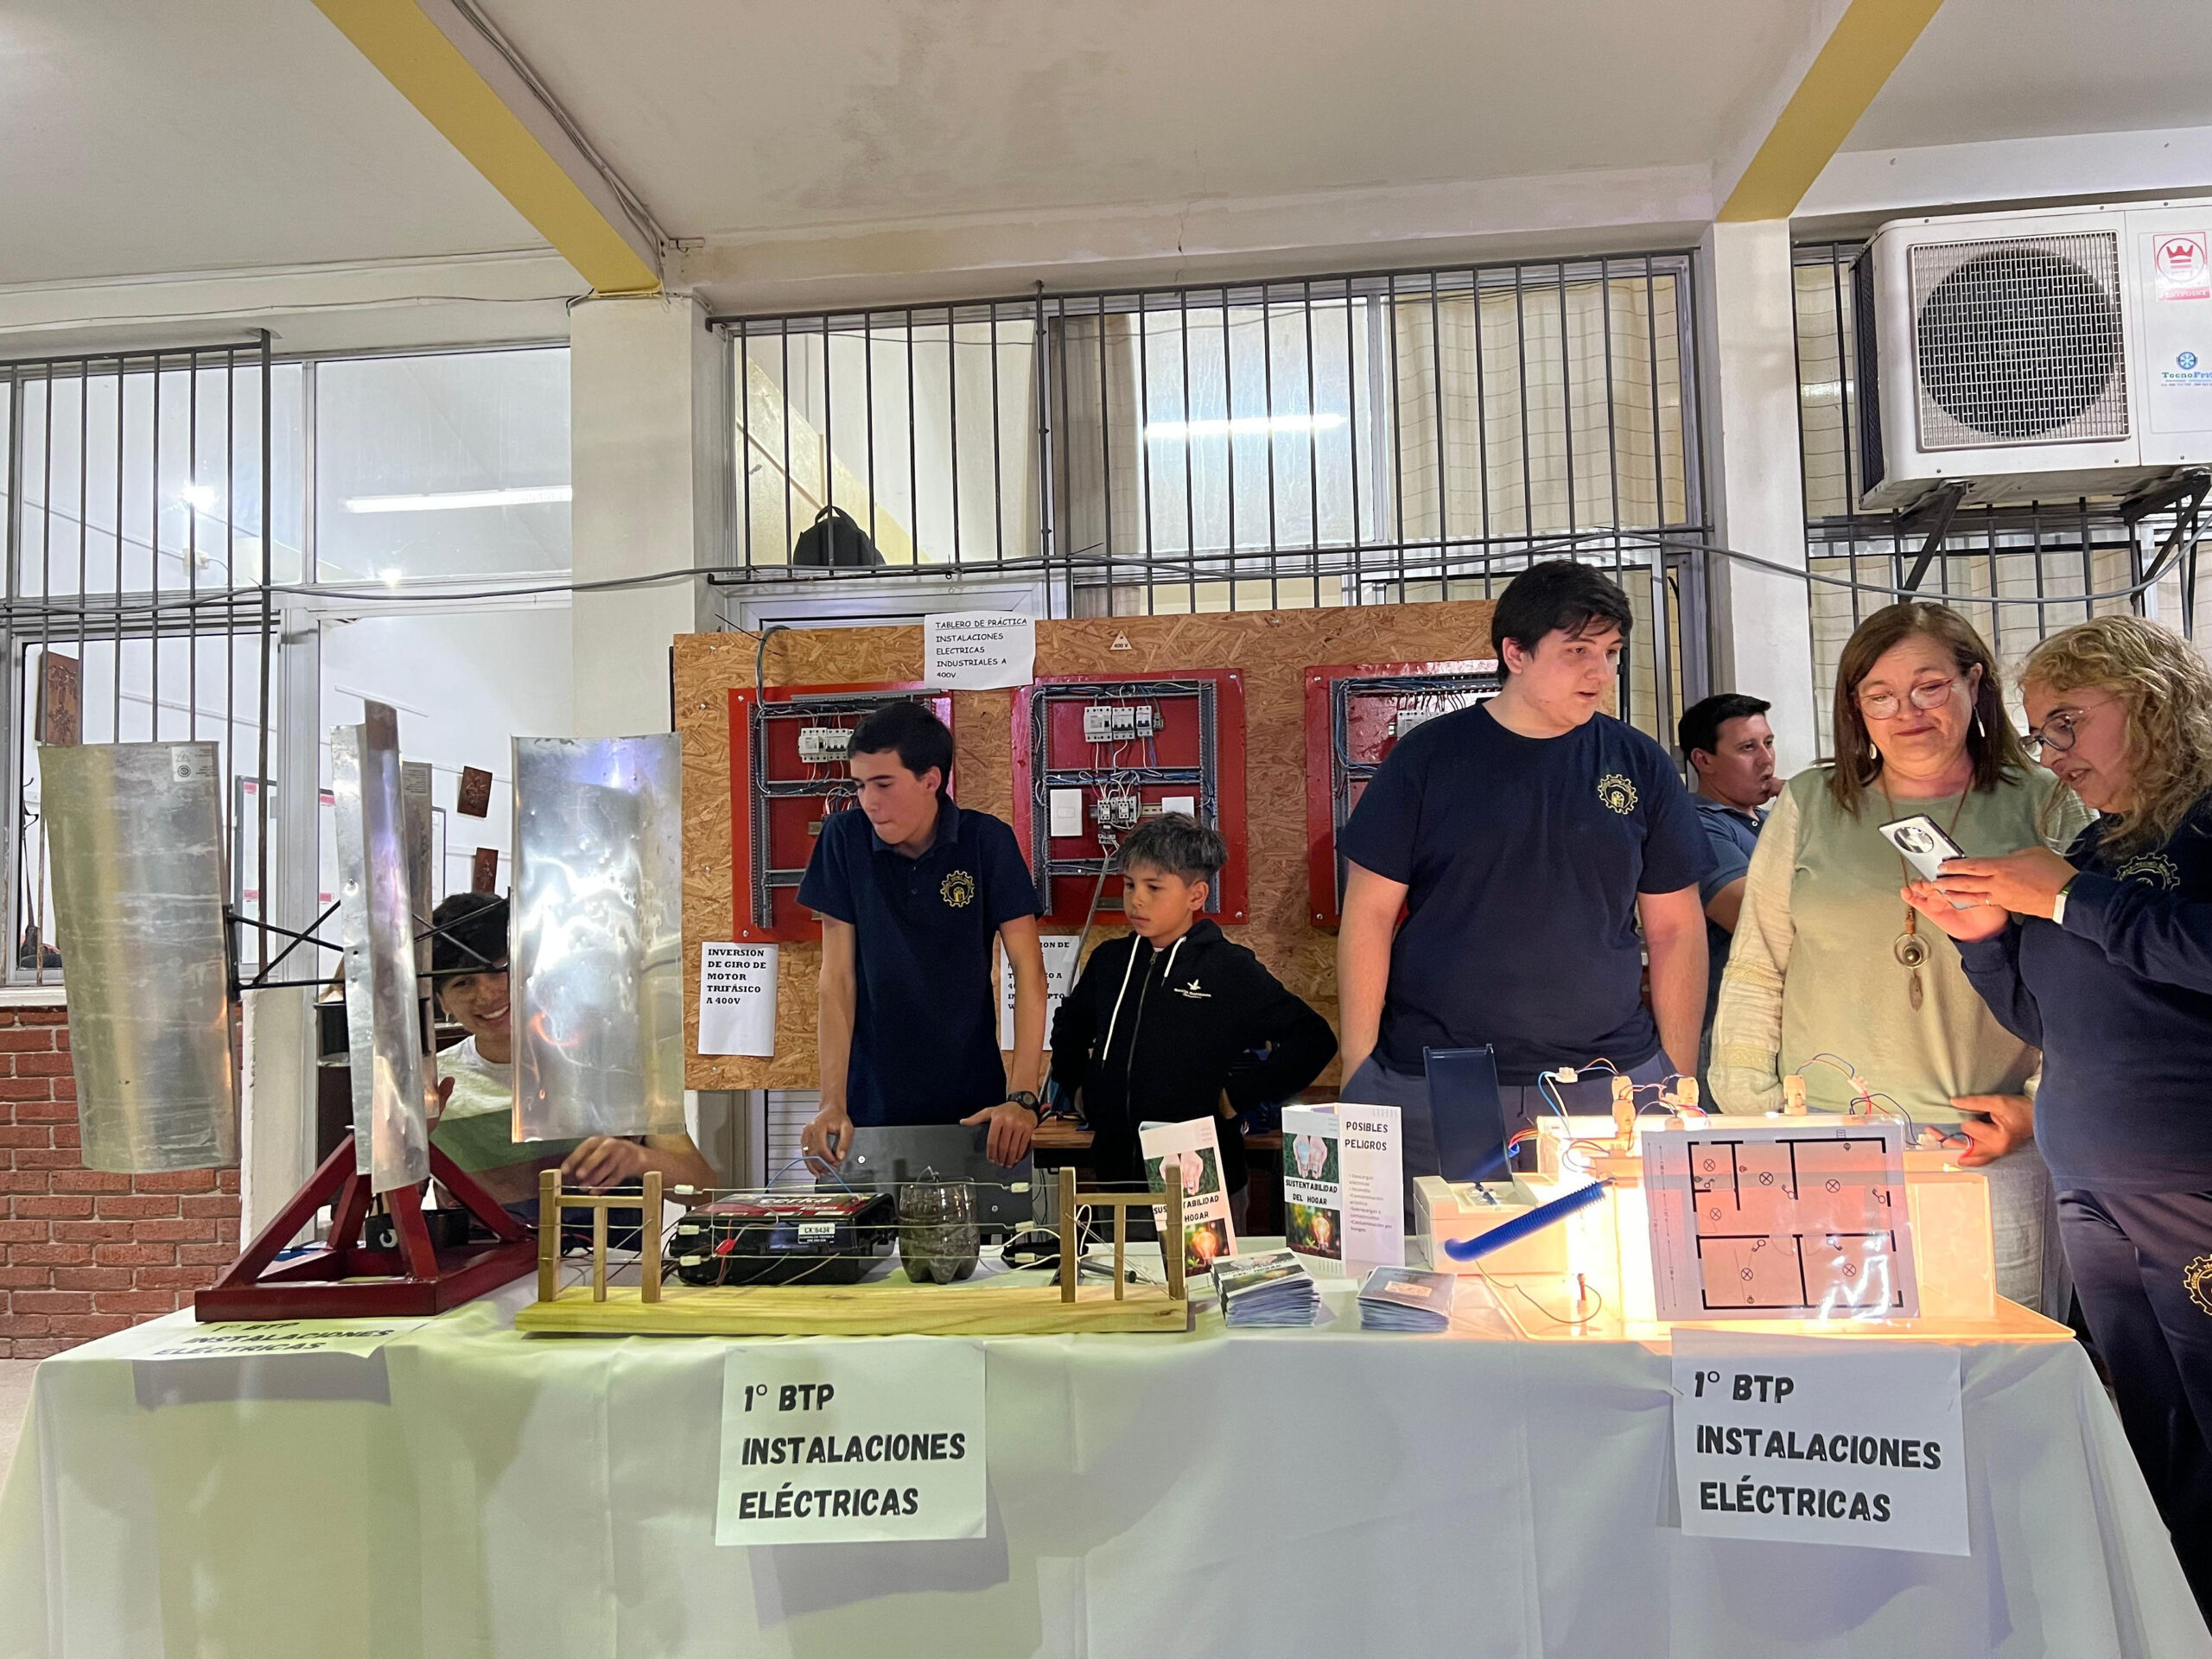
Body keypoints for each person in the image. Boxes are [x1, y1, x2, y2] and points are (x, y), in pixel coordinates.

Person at [1907, 615, 2212, 1610]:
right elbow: (2048, 1018)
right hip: (2094, 1189)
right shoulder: (2098, 843)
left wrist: (2074, 901)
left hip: (2190, 1187)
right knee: (2152, 1433)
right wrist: (1983, 939)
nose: (2055, 754)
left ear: (2151, 701)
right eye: (2042, 734)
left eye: (2070, 722)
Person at [1711, 601, 2089, 1313]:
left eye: (1929, 686)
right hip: (1822, 1140)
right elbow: (1759, 963)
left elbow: (2088, 985)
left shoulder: (2045, 804)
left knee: (1990, 1359)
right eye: (1879, 695)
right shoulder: (1812, 801)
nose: (1906, 711)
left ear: (1974, 682)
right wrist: (1753, 1104)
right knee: (1834, 1363)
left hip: (1984, 1147)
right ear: (1855, 707)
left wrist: (2036, 1107)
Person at [1335, 559, 1711, 1179]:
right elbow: (1369, 915)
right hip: (1438, 1076)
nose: (1601, 672)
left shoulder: (1637, 762)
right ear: (1516, 653)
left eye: (1612, 653)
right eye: (1578, 651)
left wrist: (1676, 1072)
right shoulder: (1429, 757)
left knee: (1608, 1241)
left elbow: (1676, 927)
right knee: (1448, 1238)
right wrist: (1359, 1068)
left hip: (1609, 1077)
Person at [1050, 814, 1337, 1231]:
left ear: (1196, 895)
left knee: (1203, 1275)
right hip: (1118, 1179)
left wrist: (1238, 1095)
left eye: (1154, 887)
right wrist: (1080, 1090)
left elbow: (1314, 1039)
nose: (1136, 900)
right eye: (1129, 885)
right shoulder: (1110, 962)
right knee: (1126, 1273)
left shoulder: (1228, 969)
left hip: (1201, 1183)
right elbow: (1069, 1028)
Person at [798, 701, 1048, 1170]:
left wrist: (1022, 1097)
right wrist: (831, 1101)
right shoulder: (843, 839)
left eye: (883, 784)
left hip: (973, 1106)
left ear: (930, 780)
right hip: (868, 1106)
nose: (869, 802)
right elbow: (836, 979)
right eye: (860, 785)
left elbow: (1029, 973)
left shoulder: (986, 841)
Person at [429, 892, 717, 1213]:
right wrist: (411, 1144)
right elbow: (395, 1213)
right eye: (463, 983)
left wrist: (640, 1159)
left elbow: (702, 1188)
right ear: (442, 1002)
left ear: (534, 968)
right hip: (479, 1248)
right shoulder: (432, 1085)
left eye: (500, 970)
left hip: (612, 1248)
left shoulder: (620, 1063)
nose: (487, 994)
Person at [1678, 692, 1783, 1083]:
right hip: (1731, 1031)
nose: (1766, 760)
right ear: (1703, 760)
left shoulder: (1774, 822)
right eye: (1747, 748)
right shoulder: (1697, 824)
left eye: (1768, 743)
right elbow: (1752, 918)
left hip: (1786, 1022)